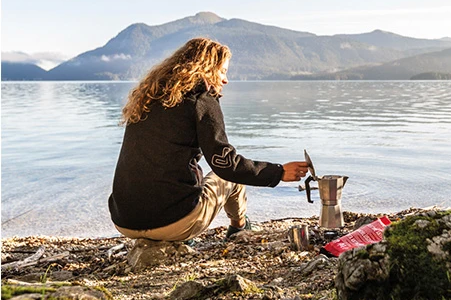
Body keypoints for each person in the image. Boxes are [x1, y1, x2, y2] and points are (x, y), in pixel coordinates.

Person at [108, 37, 309, 243]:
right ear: (205, 69)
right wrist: (278, 172)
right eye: (223, 71)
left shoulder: (148, 98)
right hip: (172, 224)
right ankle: (239, 227)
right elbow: (226, 165)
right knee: (229, 175)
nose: (225, 80)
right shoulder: (201, 98)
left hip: (124, 221)